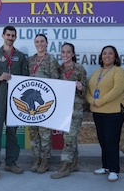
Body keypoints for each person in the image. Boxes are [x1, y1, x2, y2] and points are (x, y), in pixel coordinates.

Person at [0, 25, 29, 182]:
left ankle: (11, 162)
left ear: (15, 37)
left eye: (13, 35)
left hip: (16, 101)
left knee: (12, 132)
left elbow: (26, 77)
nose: (10, 37)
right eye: (8, 35)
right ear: (3, 35)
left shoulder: (21, 56)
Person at [86, 45, 124, 182]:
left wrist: (100, 101)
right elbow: (89, 89)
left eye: (110, 53)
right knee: (102, 140)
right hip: (98, 112)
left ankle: (114, 169)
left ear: (115, 57)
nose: (107, 56)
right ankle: (106, 166)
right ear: (101, 56)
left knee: (111, 140)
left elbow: (117, 90)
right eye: (104, 53)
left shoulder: (119, 72)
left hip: (113, 112)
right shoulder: (97, 72)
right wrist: (91, 100)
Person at [50, 43, 87, 179]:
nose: (65, 54)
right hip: (63, 109)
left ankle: (64, 166)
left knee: (69, 138)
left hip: (75, 109)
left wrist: (80, 87)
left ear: (72, 54)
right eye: (63, 52)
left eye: (68, 52)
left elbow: (85, 90)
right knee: (70, 137)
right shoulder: (58, 70)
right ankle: (74, 163)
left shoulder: (79, 69)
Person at [27, 34, 60, 174]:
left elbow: (55, 80)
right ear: (34, 44)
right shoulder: (30, 60)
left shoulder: (51, 59)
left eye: (42, 41)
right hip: (30, 105)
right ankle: (36, 159)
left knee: (45, 133)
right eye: (37, 42)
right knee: (33, 133)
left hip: (44, 103)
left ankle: (45, 161)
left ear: (46, 43)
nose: (39, 44)